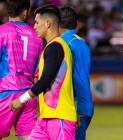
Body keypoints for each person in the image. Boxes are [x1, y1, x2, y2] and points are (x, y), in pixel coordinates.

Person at [10, 5, 77, 140]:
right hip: (45, 119)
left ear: (47, 23)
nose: (34, 26)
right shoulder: (52, 47)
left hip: (60, 118)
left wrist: (21, 100)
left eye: (37, 22)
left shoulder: (55, 46)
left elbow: (46, 80)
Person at [0, 0, 43, 139]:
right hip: (28, 95)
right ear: (25, 11)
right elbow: (38, 73)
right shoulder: (37, 36)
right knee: (28, 137)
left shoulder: (2, 31)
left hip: (6, 93)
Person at [59, 6, 94, 140]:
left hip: (73, 106)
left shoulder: (64, 44)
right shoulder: (82, 43)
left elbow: (66, 77)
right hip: (86, 104)